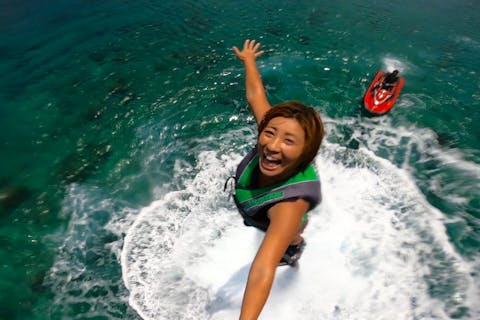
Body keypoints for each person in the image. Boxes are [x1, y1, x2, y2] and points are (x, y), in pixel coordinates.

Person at [232, 39, 324, 320]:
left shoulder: (288, 207)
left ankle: (295, 249)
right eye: (269, 133)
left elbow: (262, 269)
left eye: (289, 141)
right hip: (264, 208)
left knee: (287, 238)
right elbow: (255, 95)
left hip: (288, 220)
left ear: (305, 152)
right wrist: (249, 60)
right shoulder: (271, 134)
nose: (272, 145)